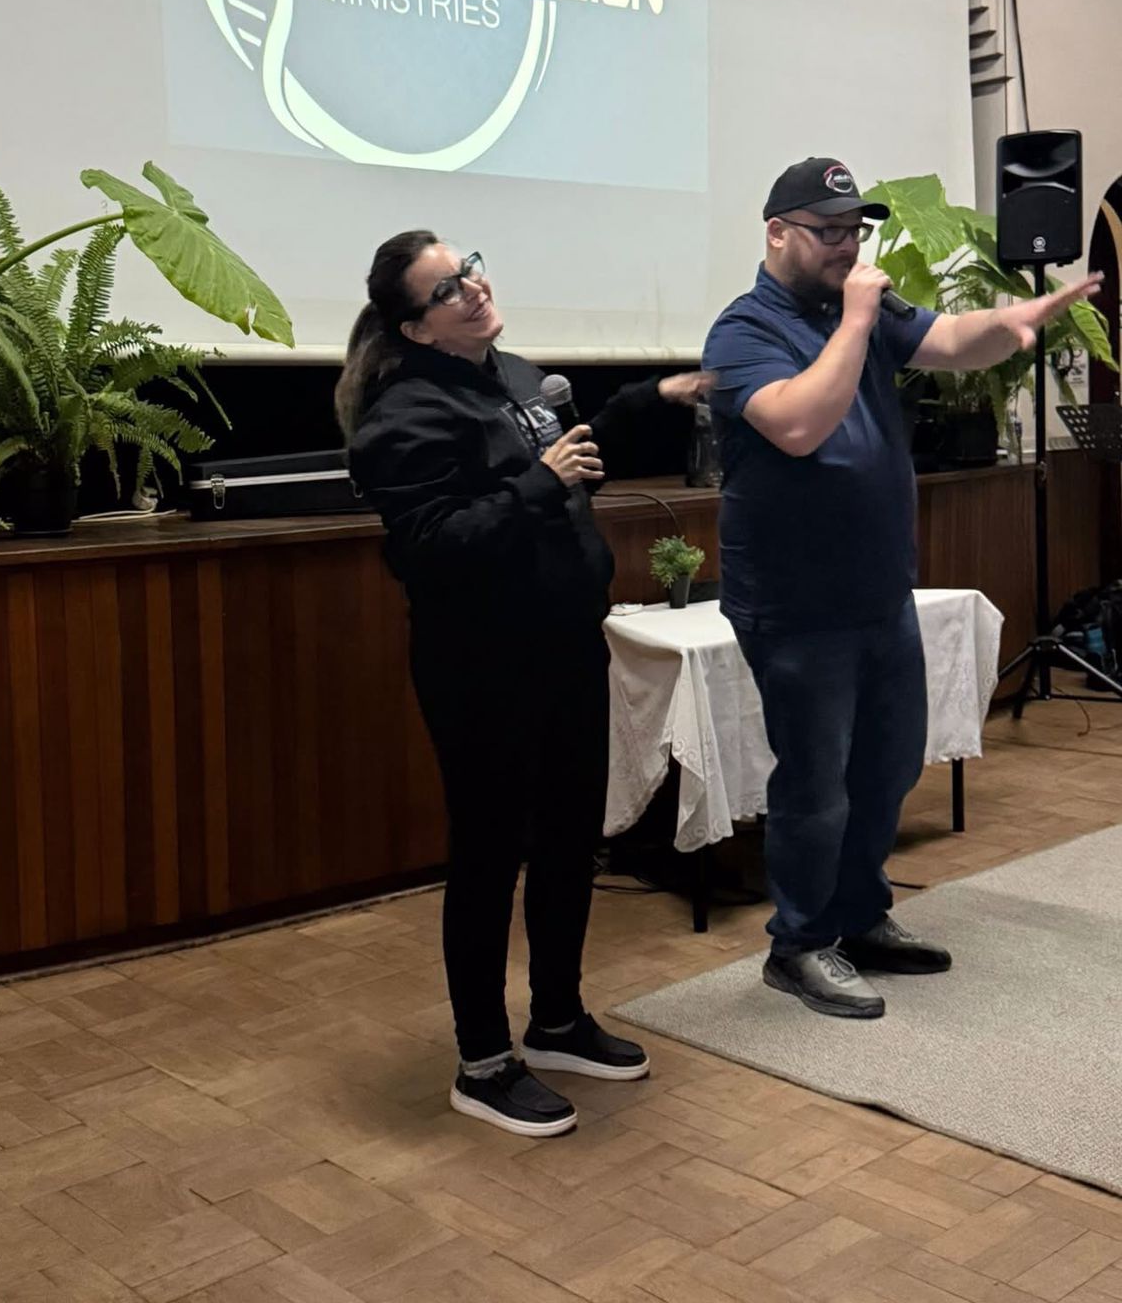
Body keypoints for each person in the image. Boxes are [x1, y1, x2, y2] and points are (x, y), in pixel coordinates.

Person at [703, 158, 1101, 1019]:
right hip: (796, 604)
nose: (848, 247)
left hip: (880, 593)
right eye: (828, 232)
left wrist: (1010, 322)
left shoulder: (866, 311)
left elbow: (951, 342)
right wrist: (856, 318)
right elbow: (800, 425)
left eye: (855, 231)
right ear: (777, 233)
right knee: (816, 786)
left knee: (885, 769)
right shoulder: (743, 331)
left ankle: (859, 916)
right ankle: (799, 944)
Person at [338, 231, 709, 1135]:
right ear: (416, 329)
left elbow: (567, 458)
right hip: (482, 665)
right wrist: (540, 487)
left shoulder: (517, 376)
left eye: (469, 269)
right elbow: (431, 549)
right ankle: (482, 1063)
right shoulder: (402, 414)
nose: (472, 288)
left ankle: (557, 1021)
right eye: (445, 290)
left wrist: (649, 401)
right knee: (488, 855)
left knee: (570, 841)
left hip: (567, 647)